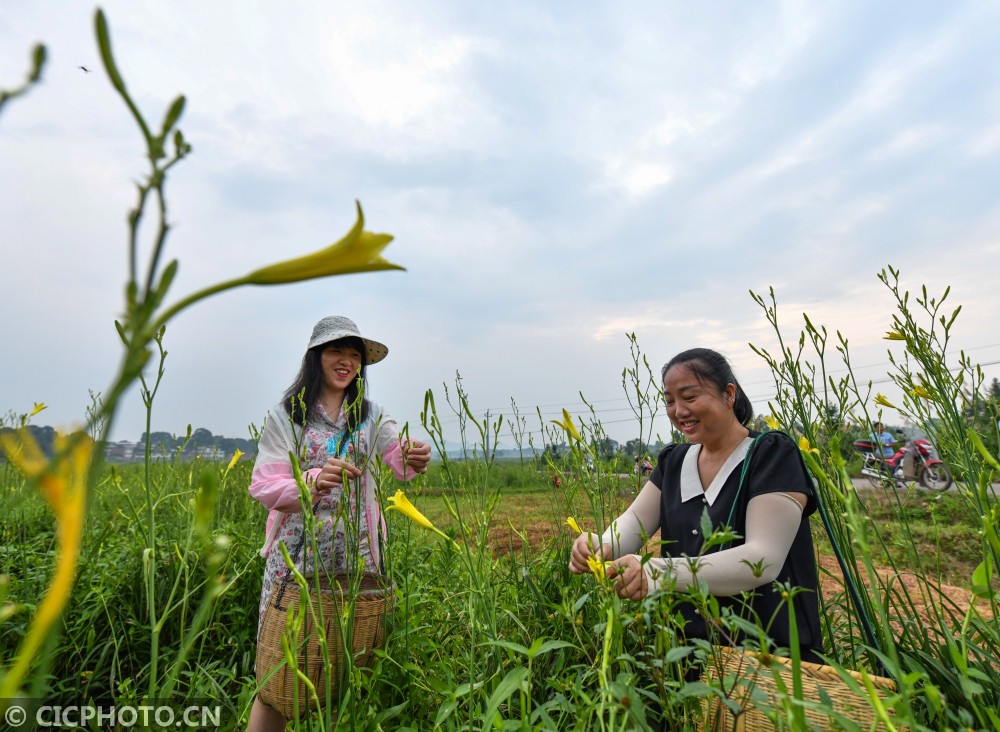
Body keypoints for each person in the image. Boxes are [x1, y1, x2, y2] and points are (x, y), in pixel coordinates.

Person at [569, 348, 823, 663]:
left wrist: (658, 573)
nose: (678, 411)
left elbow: (764, 557)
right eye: (670, 401)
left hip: (770, 660)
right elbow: (634, 521)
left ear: (728, 394)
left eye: (689, 397)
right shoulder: (674, 462)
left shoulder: (770, 455)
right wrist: (602, 544)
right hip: (686, 654)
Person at [247, 316, 431, 731]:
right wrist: (311, 479)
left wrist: (413, 455)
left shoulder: (370, 415)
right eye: (336, 351)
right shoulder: (287, 417)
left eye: (354, 354)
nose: (346, 361)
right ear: (316, 358)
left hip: (356, 558)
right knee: (279, 673)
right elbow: (262, 484)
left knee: (343, 671)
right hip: (296, 563)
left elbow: (397, 460)